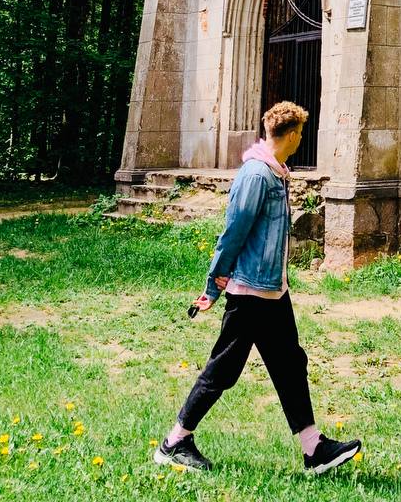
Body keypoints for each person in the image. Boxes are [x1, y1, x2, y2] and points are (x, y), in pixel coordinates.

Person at [153, 99, 361, 475]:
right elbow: (233, 233)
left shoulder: (275, 172)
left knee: (290, 365)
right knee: (223, 369)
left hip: (272, 291)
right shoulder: (256, 175)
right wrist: (212, 287)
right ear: (292, 135)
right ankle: (174, 442)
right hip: (249, 294)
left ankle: (313, 448)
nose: (301, 139)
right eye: (301, 133)